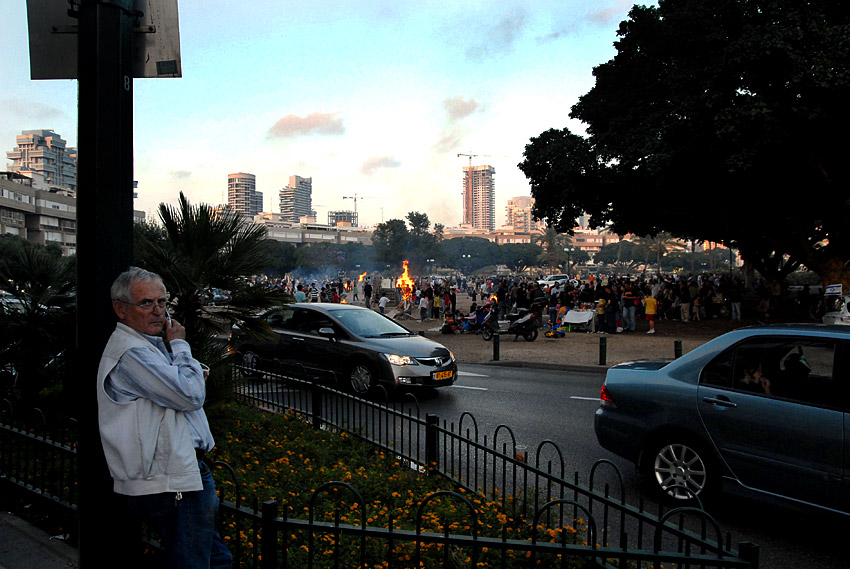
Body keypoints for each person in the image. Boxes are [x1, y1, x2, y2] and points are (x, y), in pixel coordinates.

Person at [97, 267, 232, 569]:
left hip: (182, 473)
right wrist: (181, 346)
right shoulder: (132, 353)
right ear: (121, 310)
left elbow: (182, 390)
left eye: (162, 302)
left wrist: (189, 370)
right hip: (171, 482)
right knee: (194, 562)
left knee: (216, 558)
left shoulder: (148, 346)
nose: (158, 311)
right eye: (147, 303)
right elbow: (190, 395)